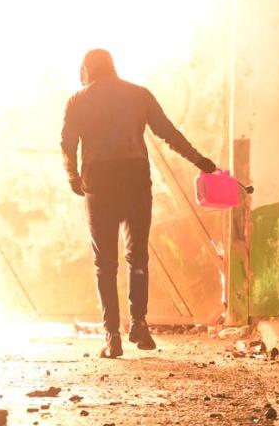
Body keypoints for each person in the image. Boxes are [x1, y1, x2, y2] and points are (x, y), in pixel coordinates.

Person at [60, 49, 216, 359]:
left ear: (87, 70)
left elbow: (67, 142)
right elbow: (168, 132)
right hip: (134, 180)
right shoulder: (138, 94)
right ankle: (140, 324)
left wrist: (73, 176)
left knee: (105, 264)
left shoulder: (78, 99)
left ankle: (112, 336)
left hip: (99, 183)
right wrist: (199, 160)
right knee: (138, 257)